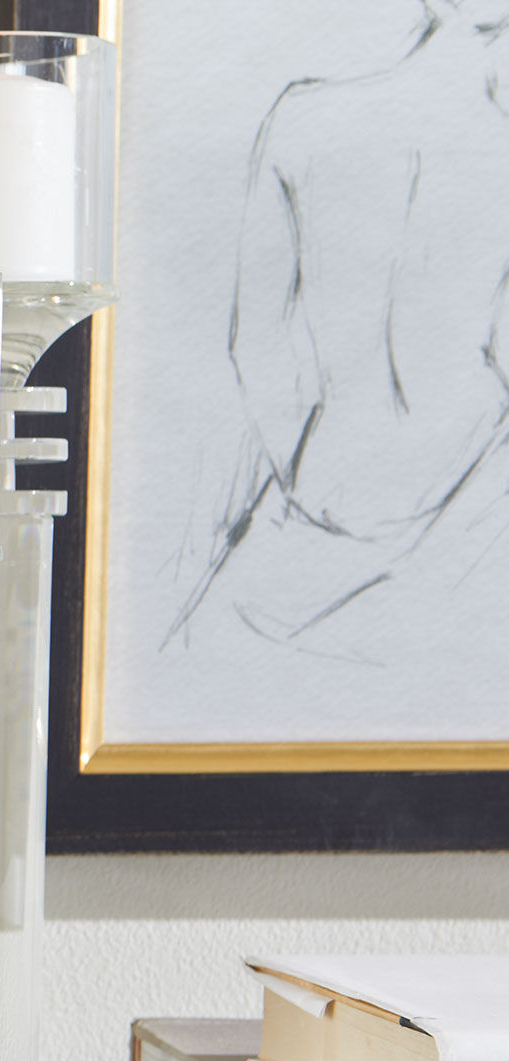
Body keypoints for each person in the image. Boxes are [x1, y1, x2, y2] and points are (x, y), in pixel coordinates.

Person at [185, 0, 509, 655]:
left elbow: (257, 342)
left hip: (322, 483)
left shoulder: (303, 118)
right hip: (468, 491)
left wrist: (304, 478)